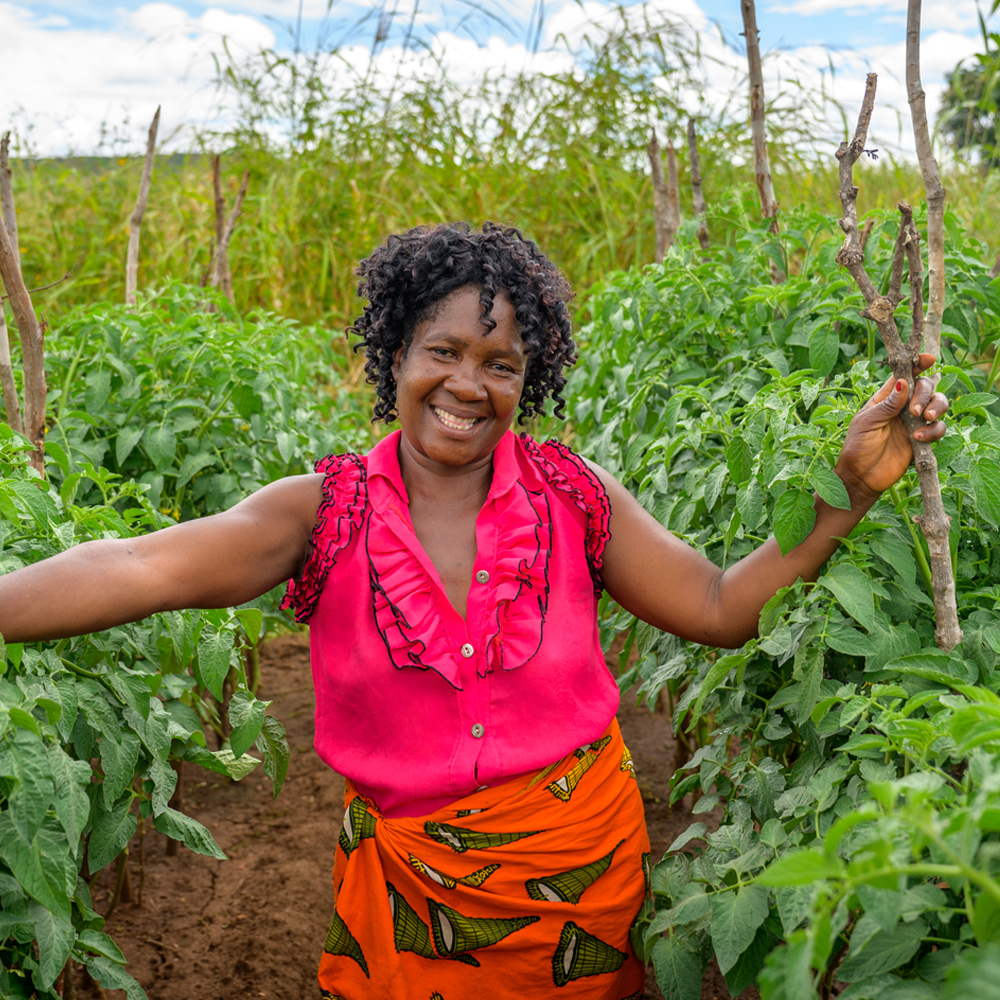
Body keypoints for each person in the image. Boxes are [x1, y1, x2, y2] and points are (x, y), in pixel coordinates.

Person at [0, 222, 947, 1000]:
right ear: (395, 355)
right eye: (443, 351)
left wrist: (849, 490)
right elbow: (137, 565)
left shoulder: (573, 495)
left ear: (527, 379)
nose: (468, 384)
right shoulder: (320, 512)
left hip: (581, 885)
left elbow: (715, 602)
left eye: (500, 363)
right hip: (409, 901)